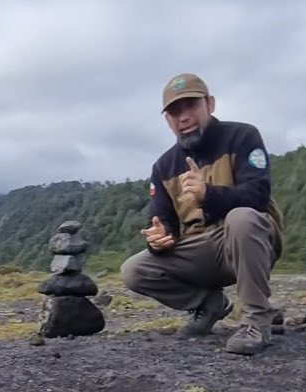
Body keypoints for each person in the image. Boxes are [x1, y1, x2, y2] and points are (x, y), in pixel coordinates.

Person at [120, 73, 284, 355]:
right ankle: (209, 303)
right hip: (201, 249)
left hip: (250, 239)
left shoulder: (243, 137)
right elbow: (164, 222)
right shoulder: (163, 167)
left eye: (191, 106)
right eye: (174, 111)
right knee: (134, 270)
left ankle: (258, 320)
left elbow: (257, 195)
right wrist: (158, 238)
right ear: (167, 120)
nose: (183, 117)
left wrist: (208, 195)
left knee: (241, 218)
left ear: (210, 104)